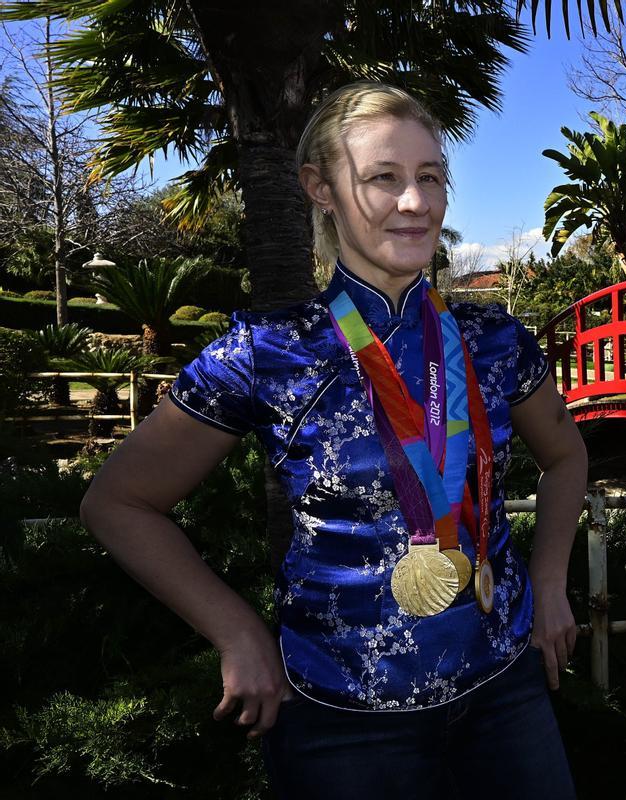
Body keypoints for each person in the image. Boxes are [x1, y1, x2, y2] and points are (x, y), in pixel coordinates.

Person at [78, 81, 586, 799]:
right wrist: (238, 632)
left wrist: (548, 581)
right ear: (321, 188)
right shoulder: (269, 354)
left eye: (431, 177)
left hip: (505, 691)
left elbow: (566, 456)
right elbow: (117, 503)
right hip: (342, 723)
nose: (416, 203)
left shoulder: (493, 340)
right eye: (383, 177)